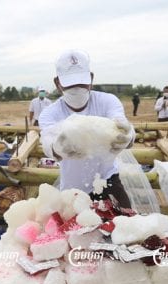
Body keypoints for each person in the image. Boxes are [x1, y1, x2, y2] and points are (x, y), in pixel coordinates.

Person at [38, 49, 135, 207]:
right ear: (57, 83)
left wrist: (129, 135)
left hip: (109, 182)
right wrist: (57, 147)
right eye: (70, 84)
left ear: (91, 78)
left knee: (123, 226)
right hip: (73, 189)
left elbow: (120, 124)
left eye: (81, 82)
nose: (77, 88)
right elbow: (49, 143)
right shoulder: (50, 113)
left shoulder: (107, 101)